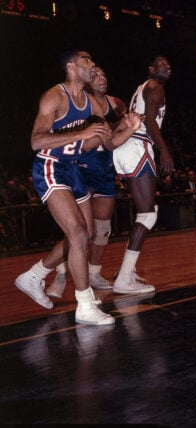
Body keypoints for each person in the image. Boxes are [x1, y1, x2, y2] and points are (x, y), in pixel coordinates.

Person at [15, 49, 140, 325]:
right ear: (71, 67)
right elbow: (36, 141)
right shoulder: (55, 96)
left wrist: (128, 129)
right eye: (87, 60)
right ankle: (84, 304)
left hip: (71, 169)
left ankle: (35, 275)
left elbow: (106, 143)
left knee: (87, 233)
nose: (92, 64)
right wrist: (80, 133)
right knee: (78, 233)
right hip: (50, 166)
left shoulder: (91, 105)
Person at [46, 67, 128, 298]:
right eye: (96, 75)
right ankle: (60, 273)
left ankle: (94, 273)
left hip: (104, 169)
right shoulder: (80, 104)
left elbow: (121, 127)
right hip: (81, 168)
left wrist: (121, 128)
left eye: (104, 74)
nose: (102, 78)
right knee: (79, 231)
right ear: (86, 81)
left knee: (102, 230)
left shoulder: (116, 103)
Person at [112, 54, 174, 294]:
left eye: (169, 65)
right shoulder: (155, 87)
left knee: (145, 213)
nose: (167, 68)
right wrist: (164, 151)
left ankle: (126, 271)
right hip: (137, 143)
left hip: (129, 144)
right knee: (148, 216)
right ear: (151, 69)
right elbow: (149, 121)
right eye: (162, 65)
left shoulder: (143, 87)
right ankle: (124, 279)